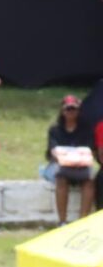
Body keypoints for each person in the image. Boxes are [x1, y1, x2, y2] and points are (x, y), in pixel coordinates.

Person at [46, 95, 93, 225]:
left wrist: (75, 158)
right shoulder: (54, 130)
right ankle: (62, 221)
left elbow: (89, 150)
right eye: (68, 109)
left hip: (81, 166)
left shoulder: (86, 130)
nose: (71, 112)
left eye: (74, 109)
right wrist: (63, 157)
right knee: (61, 180)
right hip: (61, 166)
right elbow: (52, 151)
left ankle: (83, 220)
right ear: (62, 111)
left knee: (89, 182)